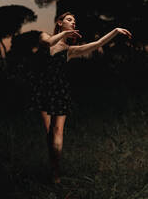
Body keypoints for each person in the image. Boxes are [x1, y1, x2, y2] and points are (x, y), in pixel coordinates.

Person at [37, 12, 132, 184]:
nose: (73, 23)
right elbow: (49, 43)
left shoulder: (69, 51)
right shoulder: (44, 36)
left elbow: (97, 43)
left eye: (74, 21)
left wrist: (115, 30)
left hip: (59, 91)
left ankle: (55, 173)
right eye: (69, 20)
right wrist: (65, 34)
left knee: (57, 131)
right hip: (43, 90)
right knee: (49, 133)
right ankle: (53, 166)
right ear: (59, 22)